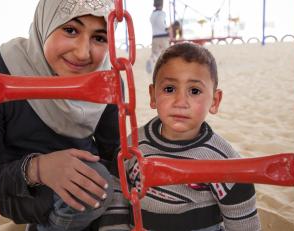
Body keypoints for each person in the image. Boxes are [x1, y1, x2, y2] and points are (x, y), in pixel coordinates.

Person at [0, 0, 120, 230]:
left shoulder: (106, 78)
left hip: (86, 181)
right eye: (70, 30)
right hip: (20, 187)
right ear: (46, 23)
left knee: (108, 184)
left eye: (99, 38)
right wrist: (37, 169)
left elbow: (113, 153)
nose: (82, 53)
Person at [99, 42, 261, 231]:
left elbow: (242, 217)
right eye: (169, 89)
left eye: (194, 91)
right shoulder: (136, 146)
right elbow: (118, 189)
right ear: (153, 95)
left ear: (214, 101)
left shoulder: (221, 159)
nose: (180, 102)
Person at [146, 0, 170, 74]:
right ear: (162, 5)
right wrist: (166, 28)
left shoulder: (152, 15)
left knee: (155, 53)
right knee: (167, 53)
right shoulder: (162, 13)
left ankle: (151, 60)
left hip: (155, 36)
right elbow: (160, 22)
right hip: (163, 36)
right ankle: (167, 68)